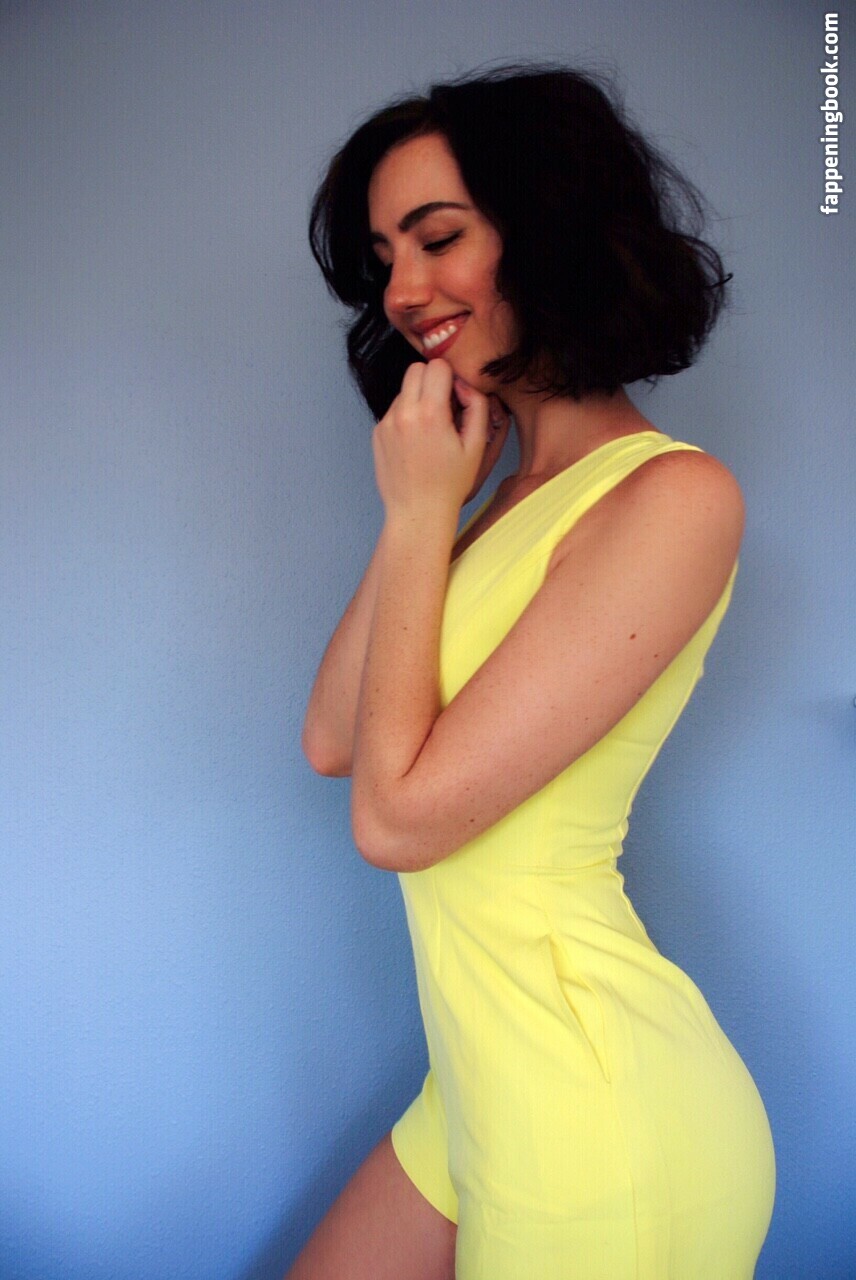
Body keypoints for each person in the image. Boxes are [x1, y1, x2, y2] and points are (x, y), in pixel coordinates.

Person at [290, 62, 776, 1280]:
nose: (402, 290)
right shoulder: (496, 503)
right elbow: (332, 738)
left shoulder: (672, 497)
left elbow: (395, 820)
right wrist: (425, 508)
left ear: (546, 229)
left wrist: (421, 517)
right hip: (476, 1085)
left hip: (593, 1110)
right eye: (383, 258)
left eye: (437, 237)